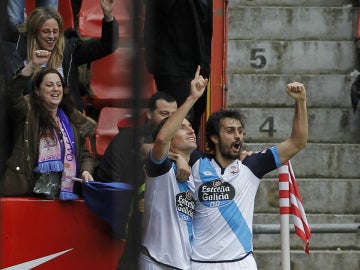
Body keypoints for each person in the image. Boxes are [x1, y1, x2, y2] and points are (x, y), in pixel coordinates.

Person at [190, 82, 308, 269]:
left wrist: (301, 101)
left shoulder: (251, 165)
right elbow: (160, 144)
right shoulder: (195, 162)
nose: (238, 136)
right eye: (230, 131)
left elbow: (297, 142)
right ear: (214, 137)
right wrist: (192, 98)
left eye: (240, 131)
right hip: (200, 263)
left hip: (240, 263)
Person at [0, 51, 96, 200]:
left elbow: (85, 154)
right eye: (49, 85)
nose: (56, 89)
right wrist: (32, 65)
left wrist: (86, 171)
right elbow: (13, 92)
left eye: (59, 85)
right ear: (37, 91)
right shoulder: (27, 111)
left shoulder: (72, 117)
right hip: (29, 194)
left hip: (64, 196)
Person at [139, 66, 208, 270]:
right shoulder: (160, 169)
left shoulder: (195, 171)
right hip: (157, 261)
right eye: (182, 127)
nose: (190, 129)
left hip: (185, 263)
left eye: (190, 126)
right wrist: (192, 98)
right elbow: (161, 139)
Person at [2, 0, 119, 112]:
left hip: (66, 118)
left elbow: (107, 45)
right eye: (46, 31)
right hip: (29, 121)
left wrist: (108, 16)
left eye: (55, 31)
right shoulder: (18, 46)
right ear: (35, 32)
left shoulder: (69, 49)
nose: (52, 36)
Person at [144, 0, 212, 136]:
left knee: (194, 122)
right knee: (183, 121)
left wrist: (204, 66)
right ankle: (172, 156)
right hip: (173, 66)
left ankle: (187, 157)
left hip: (198, 67)